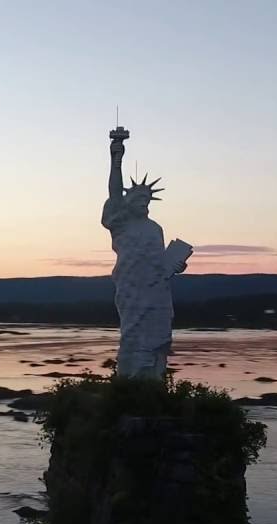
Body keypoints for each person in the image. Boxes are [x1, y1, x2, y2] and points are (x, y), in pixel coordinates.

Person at [101, 132, 189, 378]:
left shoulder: (155, 228)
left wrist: (176, 265)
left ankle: (153, 380)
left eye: (146, 198)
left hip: (156, 290)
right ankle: (130, 380)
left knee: (157, 335)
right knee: (132, 332)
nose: (143, 201)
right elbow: (114, 193)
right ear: (128, 201)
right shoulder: (121, 222)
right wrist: (116, 159)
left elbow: (160, 263)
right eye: (138, 197)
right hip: (130, 285)